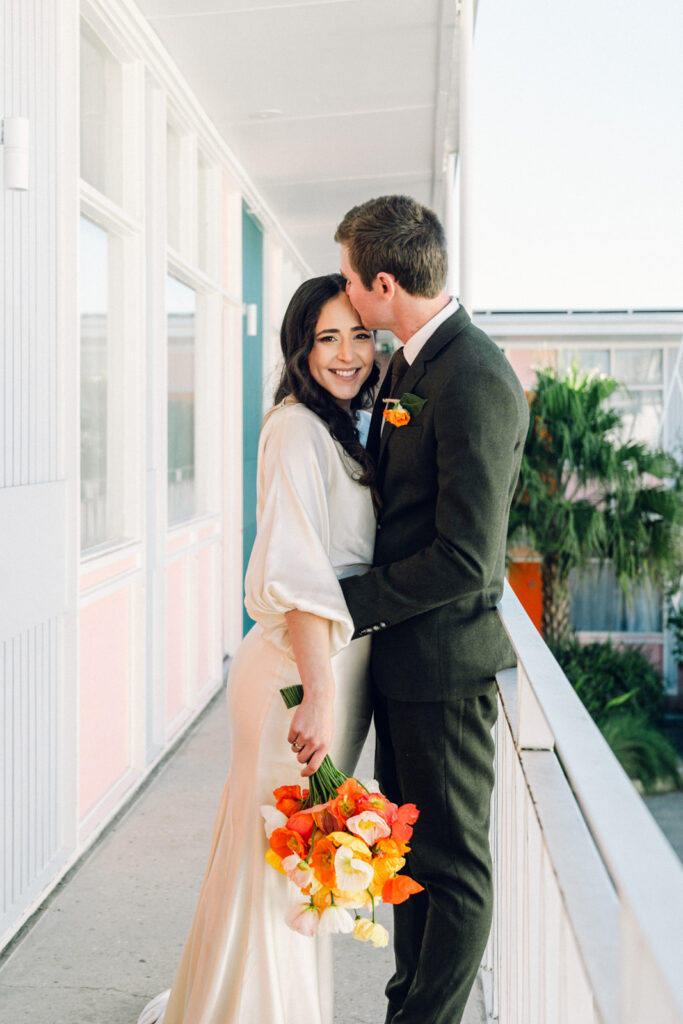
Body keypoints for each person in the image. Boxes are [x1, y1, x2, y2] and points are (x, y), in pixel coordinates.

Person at [137, 274, 379, 1024]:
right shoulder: (295, 428)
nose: (345, 354)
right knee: (288, 855)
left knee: (292, 857)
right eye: (326, 339)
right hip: (295, 675)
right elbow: (298, 571)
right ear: (299, 351)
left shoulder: (336, 423)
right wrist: (319, 690)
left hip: (316, 671)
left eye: (358, 334)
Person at [334, 195, 529, 1024]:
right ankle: (401, 1005)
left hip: (445, 671)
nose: (344, 297)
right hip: (402, 666)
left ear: (382, 283)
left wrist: (342, 603)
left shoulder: (473, 374)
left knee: (451, 871)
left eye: (349, 280)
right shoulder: (410, 363)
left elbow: (465, 555)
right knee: (402, 853)